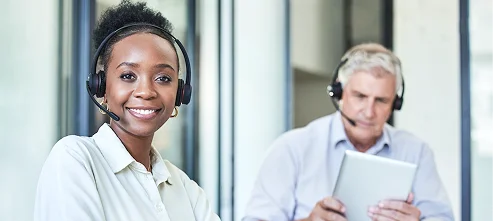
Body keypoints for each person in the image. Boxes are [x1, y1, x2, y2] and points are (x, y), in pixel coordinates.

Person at [34, 1, 220, 221]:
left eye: (163, 78)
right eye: (128, 76)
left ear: (180, 93)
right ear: (101, 87)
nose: (146, 92)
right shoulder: (76, 160)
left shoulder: (187, 190)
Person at [242, 43, 454, 221]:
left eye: (381, 101)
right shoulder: (292, 149)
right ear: (339, 94)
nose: (369, 112)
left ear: (395, 104)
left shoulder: (416, 152)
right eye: (360, 96)